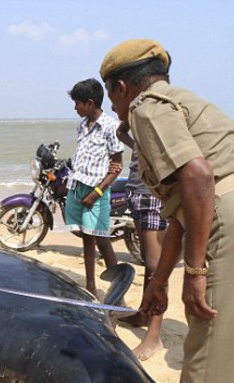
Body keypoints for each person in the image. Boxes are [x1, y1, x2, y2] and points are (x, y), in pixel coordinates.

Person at [101, 38, 234, 383]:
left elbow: (200, 178)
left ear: (120, 87)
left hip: (225, 217)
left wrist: (194, 272)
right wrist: (158, 284)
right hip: (218, 208)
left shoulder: (145, 107)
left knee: (207, 357)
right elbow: (180, 216)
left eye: (110, 95)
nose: (113, 106)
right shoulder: (182, 101)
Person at [65, 78, 124, 297]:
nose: (75, 108)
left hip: (96, 191)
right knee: (87, 237)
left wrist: (97, 193)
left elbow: (116, 166)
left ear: (90, 103)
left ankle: (119, 295)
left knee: (102, 239)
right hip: (78, 186)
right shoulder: (82, 126)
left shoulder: (110, 126)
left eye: (77, 103)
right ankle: (90, 286)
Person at [116, 120, 166, 361]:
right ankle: (144, 314)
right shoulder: (139, 120)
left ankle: (154, 336)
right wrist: (126, 131)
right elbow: (132, 142)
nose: (115, 111)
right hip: (136, 193)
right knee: (148, 262)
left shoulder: (155, 117)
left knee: (157, 267)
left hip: (153, 196)